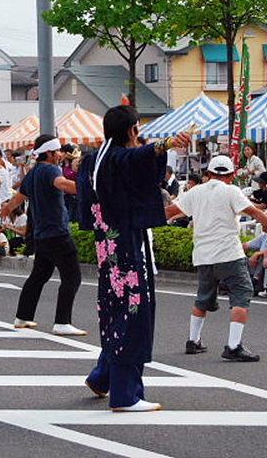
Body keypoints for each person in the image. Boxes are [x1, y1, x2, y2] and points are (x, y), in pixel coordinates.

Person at [76, 107, 191, 412]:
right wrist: (166, 145)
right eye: (136, 130)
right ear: (130, 131)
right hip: (127, 248)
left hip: (109, 249)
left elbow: (135, 163)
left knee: (116, 313)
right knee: (133, 315)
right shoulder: (118, 158)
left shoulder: (96, 159)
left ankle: (103, 377)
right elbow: (138, 159)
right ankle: (126, 395)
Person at [166, 155, 267, 362]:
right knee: (242, 293)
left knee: (203, 297)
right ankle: (233, 346)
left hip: (203, 255)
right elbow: (253, 212)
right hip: (228, 253)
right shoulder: (231, 191)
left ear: (209, 174)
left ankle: (193, 341)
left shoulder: (195, 192)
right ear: (231, 175)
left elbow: (170, 212)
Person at [2, 134, 86, 336]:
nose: (59, 155)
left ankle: (22, 317)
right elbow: (63, 184)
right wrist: (89, 189)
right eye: (56, 151)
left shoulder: (32, 172)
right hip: (57, 233)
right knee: (72, 276)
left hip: (41, 234)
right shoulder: (50, 169)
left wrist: (6, 210)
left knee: (39, 276)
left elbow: (18, 198)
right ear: (49, 153)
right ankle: (62, 322)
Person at [242, 212, 267, 293]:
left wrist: (258, 253)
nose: (261, 224)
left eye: (264, 222)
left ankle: (256, 282)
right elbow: (246, 245)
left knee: (265, 256)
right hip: (260, 265)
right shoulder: (264, 236)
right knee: (240, 259)